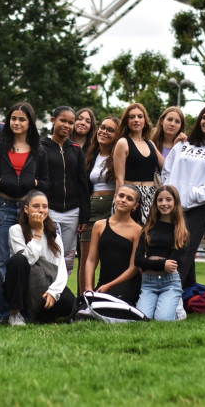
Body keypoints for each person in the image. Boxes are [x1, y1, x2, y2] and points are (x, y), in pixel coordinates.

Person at [0, 102, 49, 319]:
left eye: (22, 119)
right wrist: (3, 181)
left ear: (30, 123)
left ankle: (20, 311)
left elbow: (47, 182)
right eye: (13, 118)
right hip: (2, 208)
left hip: (27, 211)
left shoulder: (39, 151)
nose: (17, 123)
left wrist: (33, 182)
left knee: (25, 259)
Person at [162, 104, 205, 288]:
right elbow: (166, 171)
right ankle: (187, 295)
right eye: (204, 117)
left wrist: (194, 195)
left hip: (197, 207)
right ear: (199, 120)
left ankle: (171, 296)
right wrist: (170, 195)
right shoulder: (183, 144)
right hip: (173, 206)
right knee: (171, 249)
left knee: (184, 251)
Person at [3, 190, 76, 326]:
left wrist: (53, 292)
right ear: (26, 209)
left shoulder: (54, 236)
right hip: (24, 284)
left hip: (46, 284)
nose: (41, 210)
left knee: (70, 303)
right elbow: (26, 261)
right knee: (18, 260)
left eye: (45, 206)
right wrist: (38, 232)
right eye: (36, 206)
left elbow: (61, 268)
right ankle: (15, 314)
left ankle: (40, 315)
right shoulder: (15, 230)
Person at [41, 106, 90, 276]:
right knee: (50, 252)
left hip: (72, 212)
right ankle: (46, 289)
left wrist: (84, 214)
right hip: (50, 210)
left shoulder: (76, 150)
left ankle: (62, 293)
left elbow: (83, 183)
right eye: (63, 120)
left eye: (71, 122)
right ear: (53, 120)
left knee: (68, 255)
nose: (67, 125)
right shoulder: (41, 147)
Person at [134, 185, 189, 321]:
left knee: (163, 319)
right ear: (155, 203)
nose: (164, 204)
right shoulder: (147, 229)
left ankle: (177, 307)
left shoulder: (181, 232)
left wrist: (153, 263)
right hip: (148, 283)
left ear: (175, 202)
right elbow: (138, 260)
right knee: (143, 318)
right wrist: (162, 263)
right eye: (160, 200)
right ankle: (166, 304)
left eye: (168, 200)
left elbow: (172, 264)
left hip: (169, 283)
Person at [83, 184, 142, 304]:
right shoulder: (99, 225)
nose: (123, 200)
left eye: (129, 199)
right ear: (115, 197)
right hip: (103, 283)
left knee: (110, 304)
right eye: (121, 196)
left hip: (127, 284)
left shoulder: (138, 231)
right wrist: (88, 288)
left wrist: (109, 286)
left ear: (135, 206)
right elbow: (91, 260)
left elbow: (133, 268)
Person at [79, 116, 120, 293]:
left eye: (110, 130)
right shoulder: (90, 155)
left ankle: (109, 297)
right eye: (102, 127)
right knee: (87, 259)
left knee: (112, 258)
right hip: (93, 206)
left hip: (114, 205)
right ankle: (84, 299)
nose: (104, 131)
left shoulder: (120, 153)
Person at [113, 103, 165, 225]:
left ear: (145, 121)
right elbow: (119, 178)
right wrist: (121, 202)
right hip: (130, 196)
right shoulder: (123, 142)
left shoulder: (150, 144)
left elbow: (167, 167)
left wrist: (179, 143)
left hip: (151, 197)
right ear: (127, 121)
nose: (136, 120)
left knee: (148, 238)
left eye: (140, 116)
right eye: (132, 117)